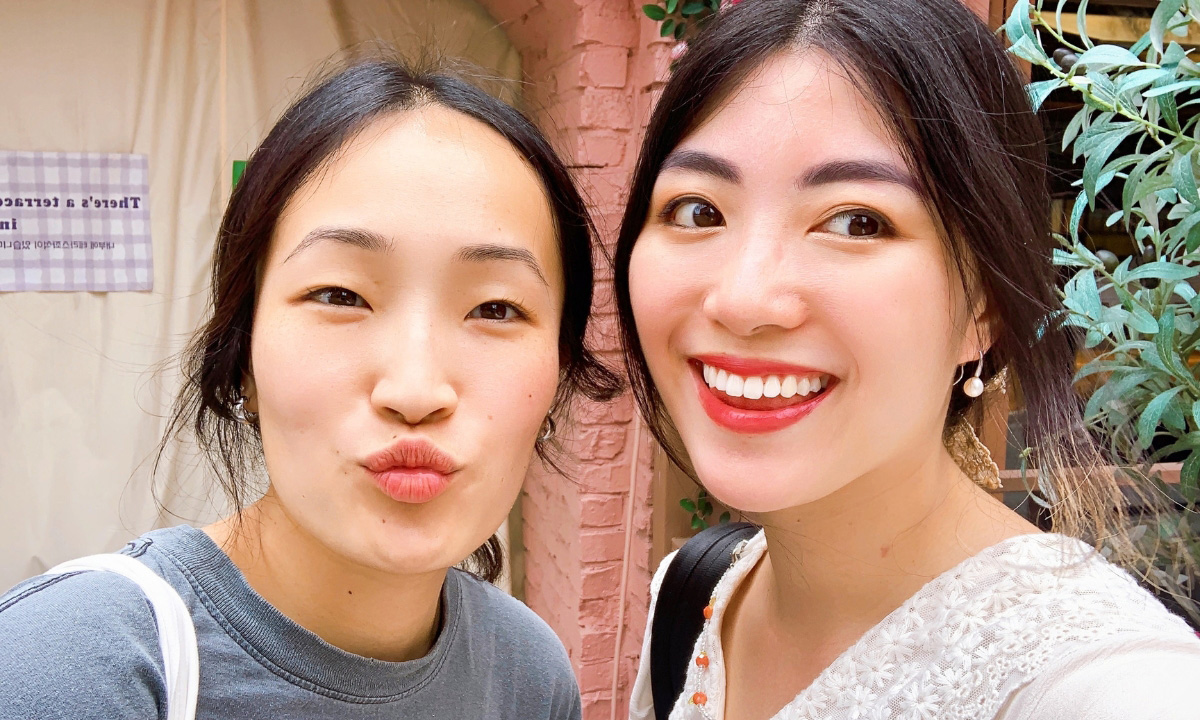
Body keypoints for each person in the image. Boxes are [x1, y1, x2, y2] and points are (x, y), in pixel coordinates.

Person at [615, 1, 1200, 719]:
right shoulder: (693, 598)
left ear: (983, 304)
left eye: (858, 222)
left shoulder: (1107, 686)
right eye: (698, 210)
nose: (744, 299)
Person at [0, 57, 620, 719]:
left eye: (496, 308)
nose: (415, 390)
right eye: (339, 294)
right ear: (242, 357)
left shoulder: (529, 676)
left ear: (557, 380)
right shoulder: (73, 671)